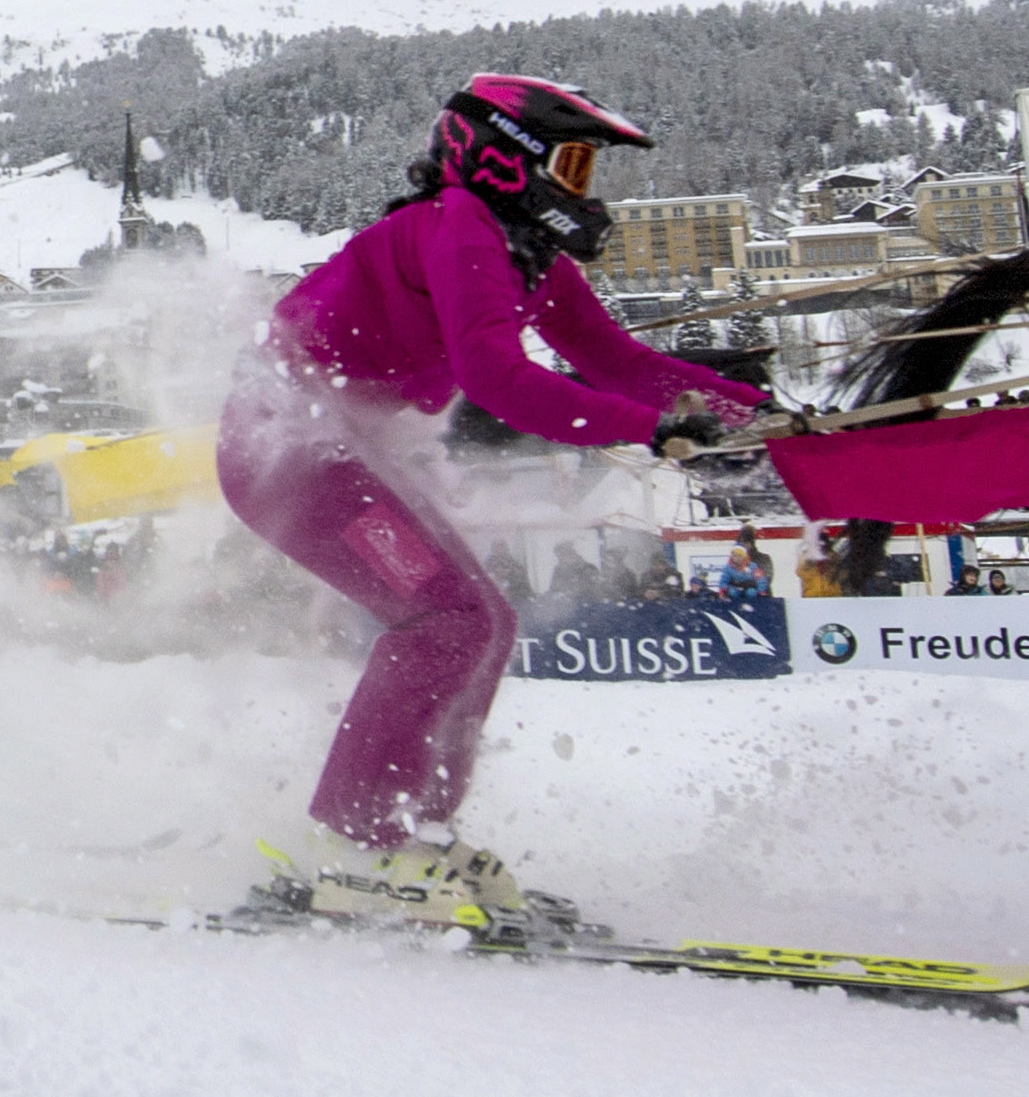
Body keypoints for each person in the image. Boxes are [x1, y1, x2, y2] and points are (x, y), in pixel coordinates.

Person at [218, 76, 766, 923]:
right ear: (508, 159)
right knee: (447, 620)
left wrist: (757, 416)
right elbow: (500, 382)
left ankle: (410, 836)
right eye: (574, 165)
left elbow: (617, 360)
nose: (583, 190)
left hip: (336, 444)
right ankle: (354, 846)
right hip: (284, 445)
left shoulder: (521, 254)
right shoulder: (459, 227)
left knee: (484, 622)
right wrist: (654, 432)